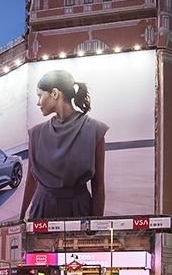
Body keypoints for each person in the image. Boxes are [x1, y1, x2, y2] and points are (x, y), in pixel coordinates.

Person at [19, 70, 108, 219]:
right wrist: (20, 220)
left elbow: (98, 187)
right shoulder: (35, 134)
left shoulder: (95, 130)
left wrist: (95, 228)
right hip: (41, 211)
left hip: (80, 212)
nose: (38, 102)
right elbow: (30, 183)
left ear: (54, 93)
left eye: (40, 95)